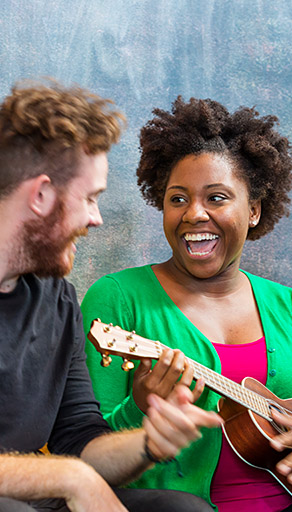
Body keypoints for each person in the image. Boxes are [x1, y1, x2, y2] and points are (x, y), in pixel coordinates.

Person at [80, 96, 292, 512]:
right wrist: (139, 409)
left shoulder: (291, 309)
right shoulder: (117, 298)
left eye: (216, 198)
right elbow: (87, 452)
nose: (194, 213)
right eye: (178, 199)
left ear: (253, 211)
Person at [0, 80, 222, 512]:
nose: (96, 218)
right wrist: (71, 477)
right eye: (90, 198)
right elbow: (74, 469)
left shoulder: (55, 299)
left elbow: (81, 442)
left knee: (183, 510)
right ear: (42, 195)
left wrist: (150, 443)